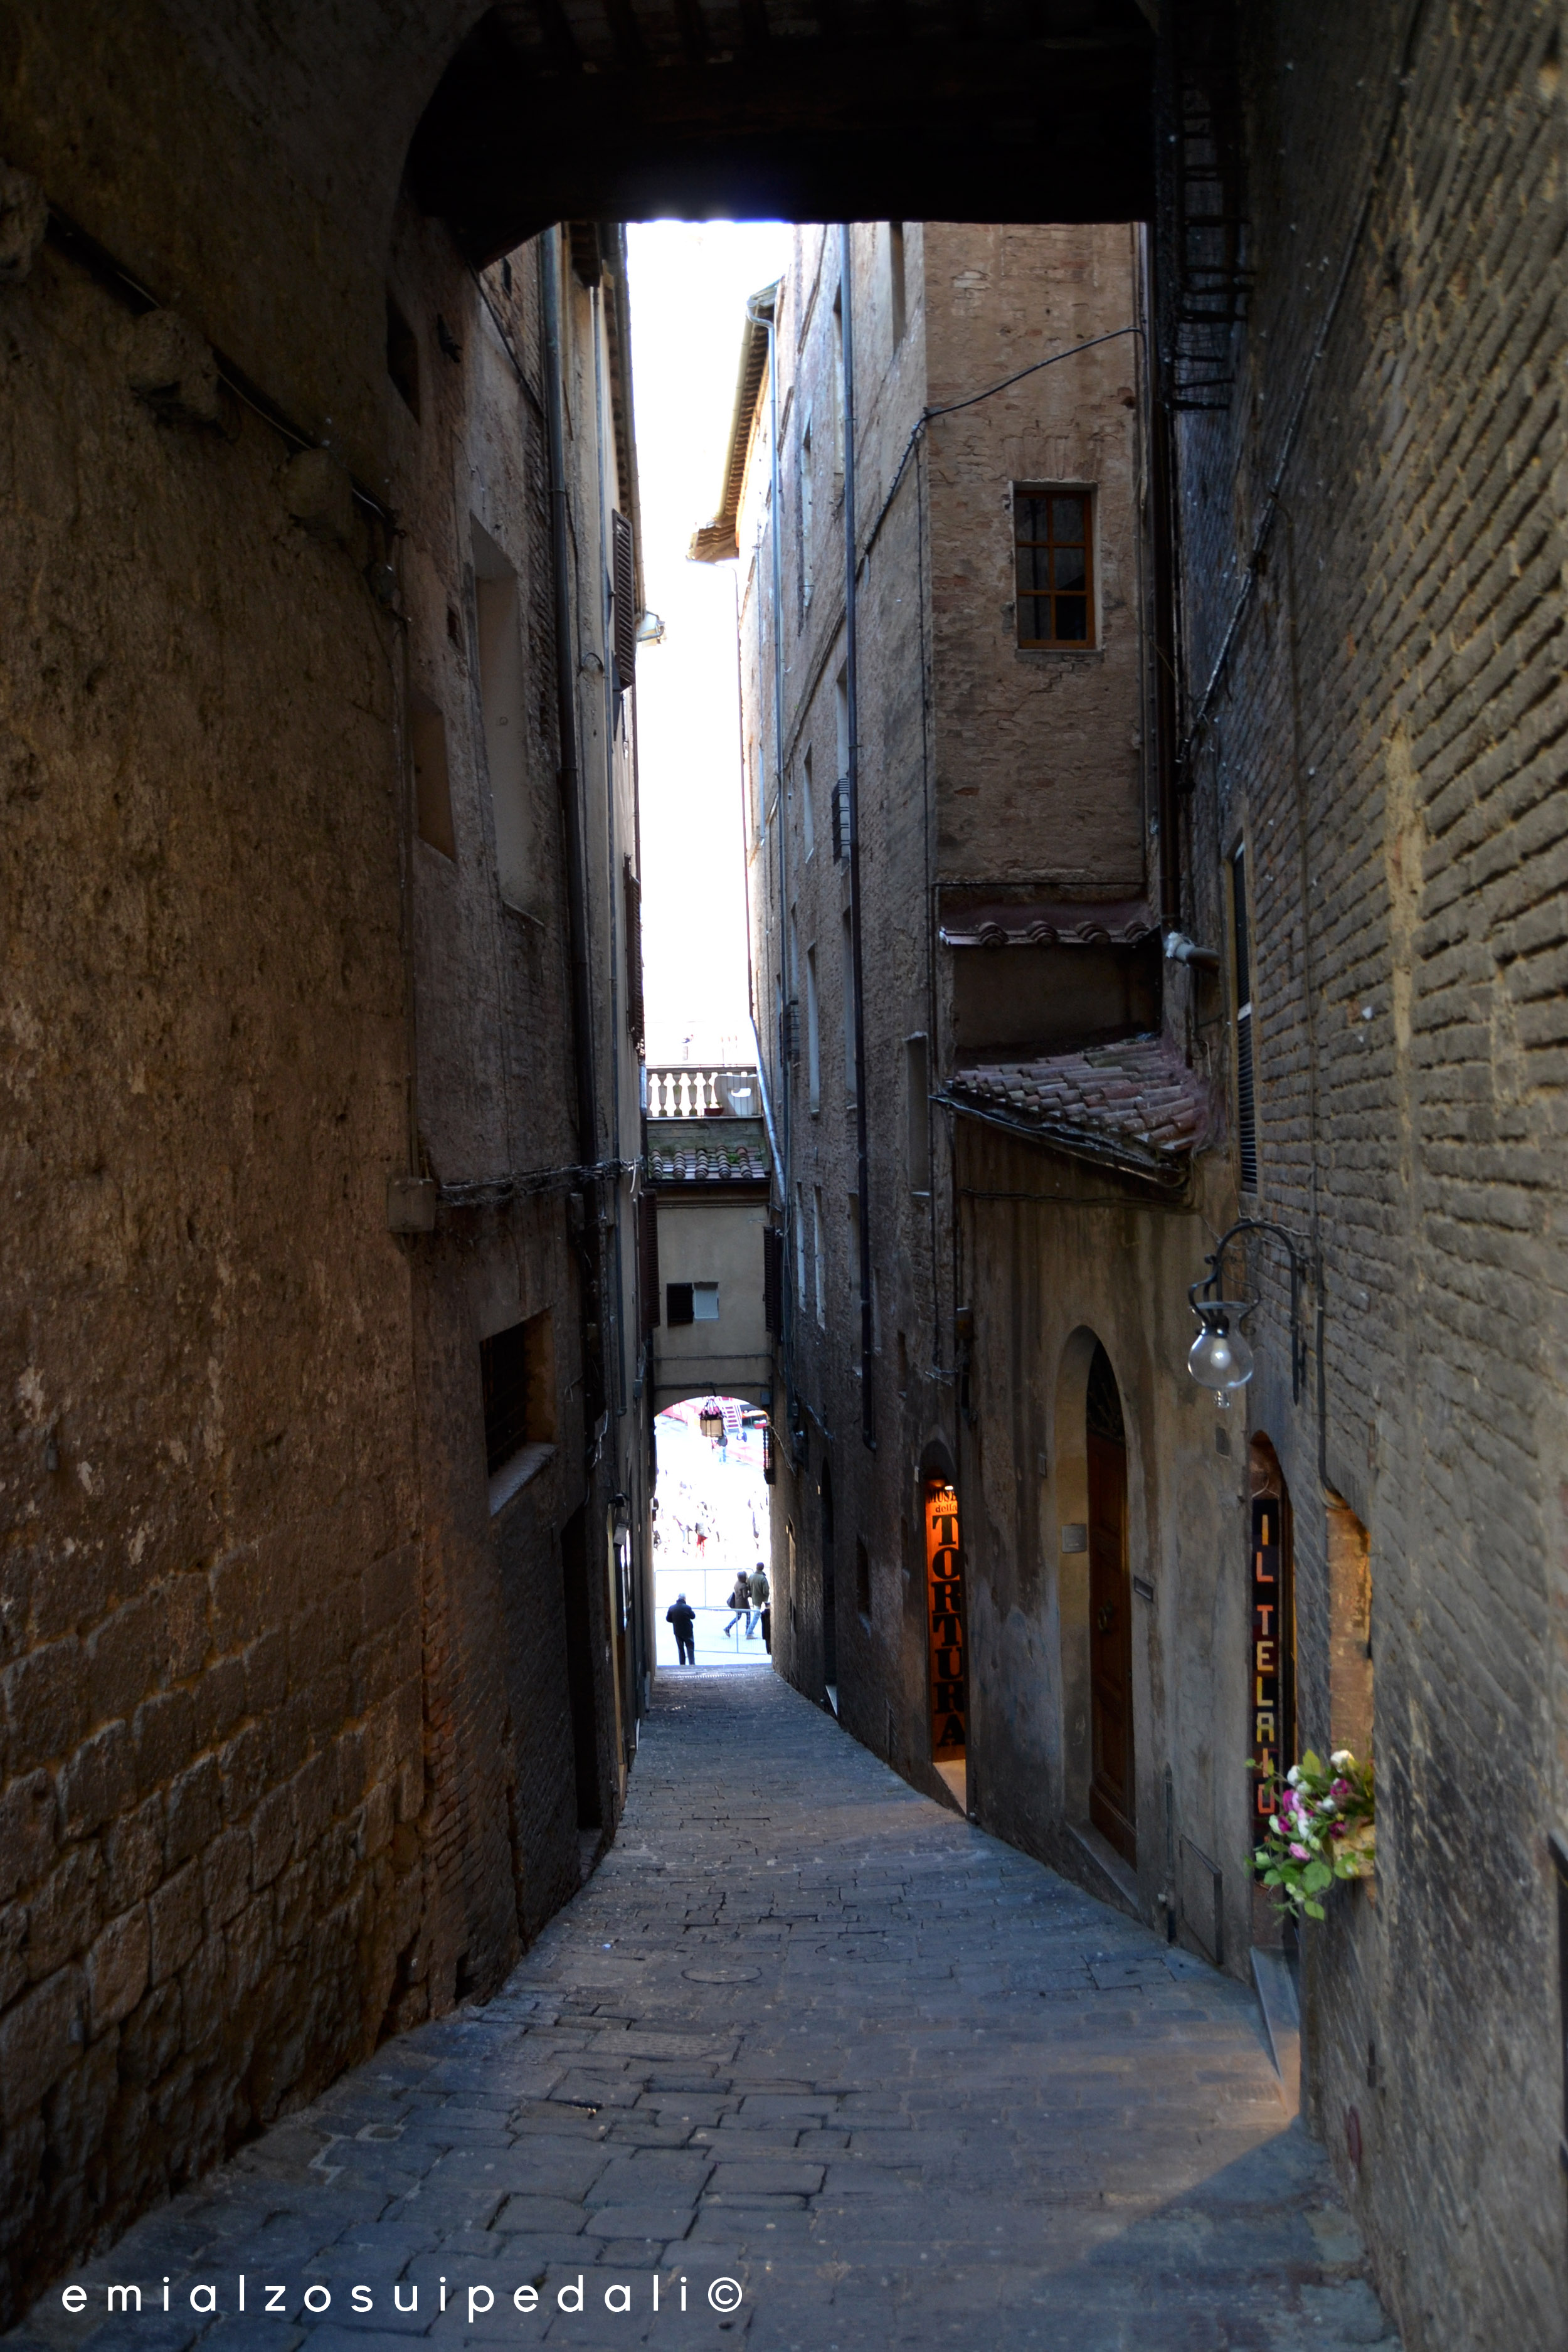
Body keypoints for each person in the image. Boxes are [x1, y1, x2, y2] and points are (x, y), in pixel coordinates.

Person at [666, 1593, 696, 1665]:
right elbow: (693, 1616)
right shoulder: (687, 1608)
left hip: (678, 1632)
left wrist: (675, 1621)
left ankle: (682, 1665)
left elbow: (668, 1619)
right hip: (688, 1632)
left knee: (681, 1649)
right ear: (685, 1599)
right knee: (690, 1648)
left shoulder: (672, 1608)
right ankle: (692, 1665)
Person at [723, 1571, 751, 1638]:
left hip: (737, 1604)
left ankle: (728, 1628)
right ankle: (748, 1631)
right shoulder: (743, 1586)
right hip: (743, 1605)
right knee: (748, 1615)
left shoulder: (737, 1583)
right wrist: (750, 1593)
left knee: (738, 1617)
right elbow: (745, 1596)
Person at [746, 1561, 770, 1639]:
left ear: (756, 1567)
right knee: (756, 1617)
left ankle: (749, 1631)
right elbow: (766, 1592)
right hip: (761, 1601)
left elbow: (748, 1587)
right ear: (763, 1568)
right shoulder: (763, 1578)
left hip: (754, 1600)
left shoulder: (751, 1576)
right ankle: (749, 1633)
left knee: (756, 1616)